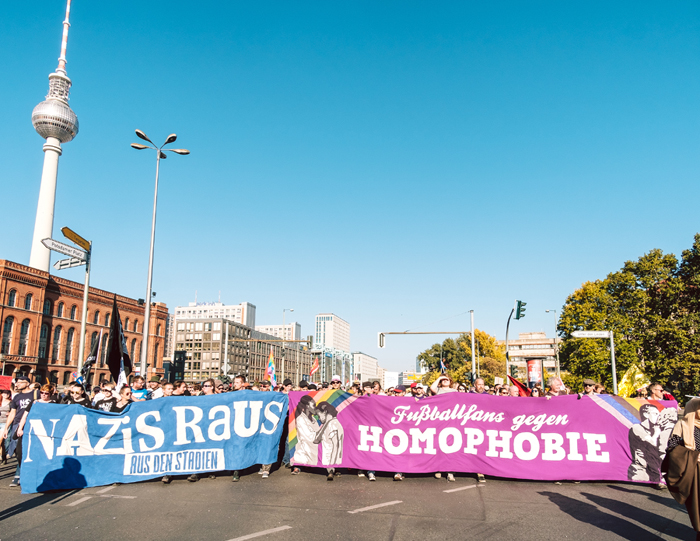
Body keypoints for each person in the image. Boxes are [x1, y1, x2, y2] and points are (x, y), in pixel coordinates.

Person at [662, 398, 700, 540]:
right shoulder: (682, 425)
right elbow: (672, 448)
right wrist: (694, 456)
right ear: (693, 409)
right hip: (695, 470)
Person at [2, 376, 37, 487]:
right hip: (17, 424)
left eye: (20, 382)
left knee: (27, 450)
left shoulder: (35, 394)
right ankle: (20, 473)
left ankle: (19, 475)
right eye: (17, 382)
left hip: (32, 424)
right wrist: (6, 428)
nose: (17, 384)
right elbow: (13, 412)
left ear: (27, 383)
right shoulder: (17, 397)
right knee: (18, 451)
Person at [314, 402, 344, 481]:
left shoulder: (332, 425)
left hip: (331, 460)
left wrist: (332, 465)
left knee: (333, 447)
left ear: (325, 412)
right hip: (330, 460)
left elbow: (335, 446)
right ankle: (333, 469)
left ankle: (331, 470)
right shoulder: (329, 424)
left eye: (319, 415)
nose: (319, 418)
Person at [0, 389, 11, 464]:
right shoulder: (0, 401)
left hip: (5, 423)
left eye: (7, 393)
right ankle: (3, 455)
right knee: (2, 443)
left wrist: (10, 413)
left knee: (0, 440)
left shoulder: (11, 403)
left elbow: (14, 411)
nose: (5, 394)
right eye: (4, 393)